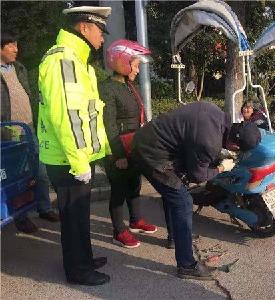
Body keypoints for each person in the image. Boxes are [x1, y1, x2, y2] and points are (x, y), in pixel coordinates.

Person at [131, 101, 261, 280]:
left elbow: (195, 143)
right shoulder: (209, 142)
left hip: (153, 141)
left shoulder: (216, 114)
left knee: (176, 190)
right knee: (183, 201)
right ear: (235, 146)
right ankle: (186, 265)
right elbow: (198, 176)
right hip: (151, 153)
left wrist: (216, 158)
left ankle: (176, 237)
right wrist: (222, 168)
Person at [37, 4, 112, 286]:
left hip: (75, 156)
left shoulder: (75, 60)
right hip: (68, 159)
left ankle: (84, 258)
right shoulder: (64, 61)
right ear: (84, 27)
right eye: (100, 30)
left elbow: (86, 113)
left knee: (80, 214)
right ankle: (78, 270)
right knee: (73, 217)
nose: (103, 37)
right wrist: (80, 163)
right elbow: (66, 118)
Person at [99, 39, 157, 249]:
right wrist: (119, 155)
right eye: (135, 64)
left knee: (134, 184)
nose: (137, 70)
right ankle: (118, 230)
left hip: (133, 145)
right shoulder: (107, 88)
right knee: (118, 190)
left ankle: (136, 220)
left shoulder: (129, 86)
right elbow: (108, 123)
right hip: (117, 149)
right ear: (122, 62)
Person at [0, 30, 59, 234]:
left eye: (16, 44)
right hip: (8, 134)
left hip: (30, 128)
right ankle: (21, 216)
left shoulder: (19, 68)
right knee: (16, 178)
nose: (16, 49)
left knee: (40, 171)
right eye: (11, 45)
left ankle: (44, 207)